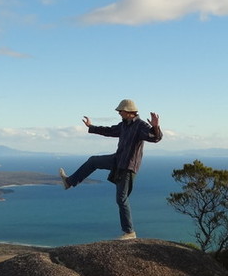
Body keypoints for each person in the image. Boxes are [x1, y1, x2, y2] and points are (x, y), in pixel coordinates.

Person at [59, 99, 162, 240]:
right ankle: (69, 182)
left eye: (121, 111)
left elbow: (155, 138)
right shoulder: (124, 125)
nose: (119, 113)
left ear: (128, 111)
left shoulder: (140, 125)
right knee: (93, 161)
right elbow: (109, 131)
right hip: (117, 160)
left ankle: (129, 232)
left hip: (128, 166)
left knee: (121, 199)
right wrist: (91, 126)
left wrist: (156, 127)